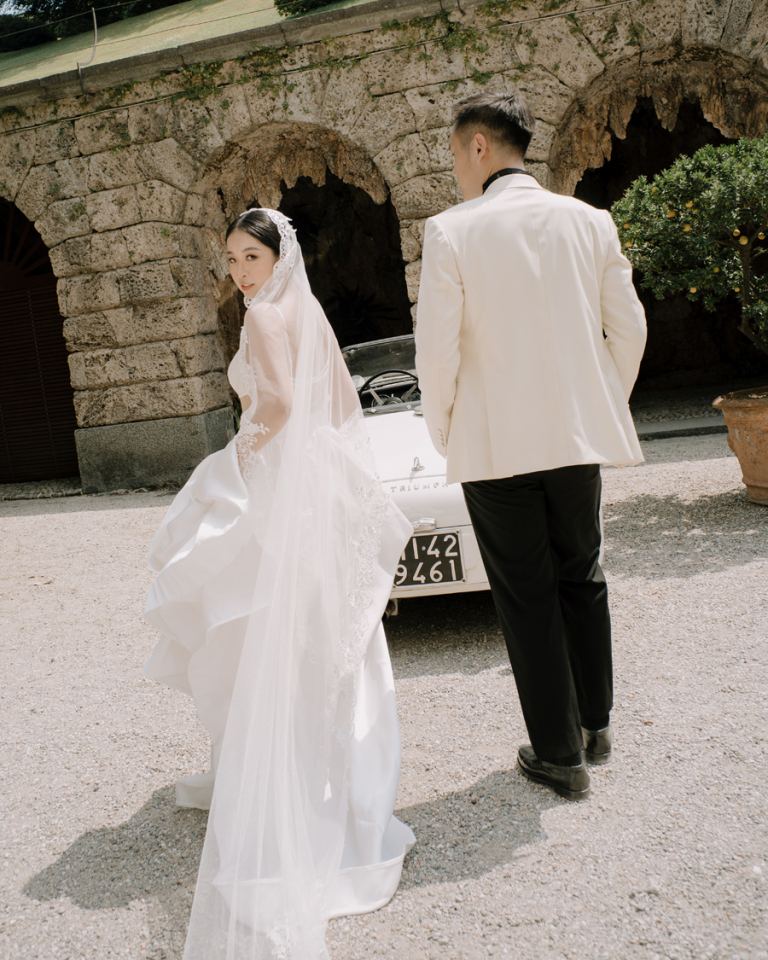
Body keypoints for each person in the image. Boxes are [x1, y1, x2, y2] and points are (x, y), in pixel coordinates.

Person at [143, 208, 415, 959]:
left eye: (251, 257)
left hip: (278, 484)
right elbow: (340, 406)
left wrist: (239, 455)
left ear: (276, 257)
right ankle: (353, 791)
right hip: (320, 483)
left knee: (265, 624)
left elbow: (282, 407)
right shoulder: (307, 309)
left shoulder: (265, 316)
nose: (240, 272)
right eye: (232, 258)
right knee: (332, 633)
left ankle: (287, 783)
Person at [415, 92, 647, 802]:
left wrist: (445, 429)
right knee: (582, 573)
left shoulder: (451, 231)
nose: (456, 169)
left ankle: (559, 755)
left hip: (495, 445)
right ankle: (596, 727)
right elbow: (628, 328)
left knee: (526, 593)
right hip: (576, 436)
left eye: (455, 155)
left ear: (479, 146)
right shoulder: (589, 220)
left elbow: (437, 352)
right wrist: (600, 404)